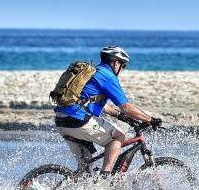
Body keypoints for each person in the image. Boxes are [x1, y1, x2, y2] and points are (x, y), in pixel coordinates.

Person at [54, 45, 161, 177]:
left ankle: (75, 186)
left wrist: (120, 116)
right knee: (118, 136)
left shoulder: (92, 73)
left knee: (85, 168)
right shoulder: (108, 76)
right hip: (78, 120)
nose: (122, 69)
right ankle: (105, 177)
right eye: (123, 65)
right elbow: (126, 107)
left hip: (61, 120)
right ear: (116, 63)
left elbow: (91, 102)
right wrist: (151, 120)